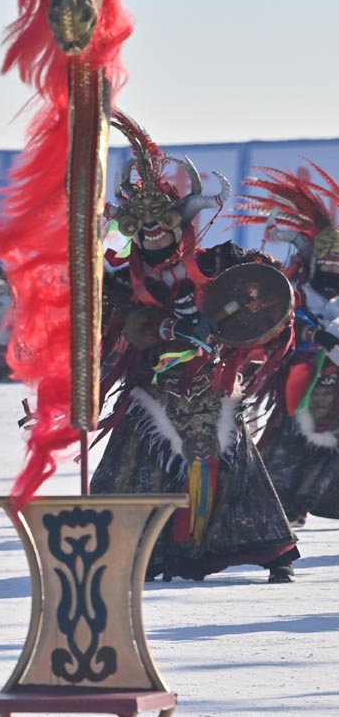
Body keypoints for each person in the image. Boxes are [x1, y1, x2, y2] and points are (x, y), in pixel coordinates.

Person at [90, 111, 298, 582]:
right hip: (153, 387)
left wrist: (234, 312)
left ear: (179, 224)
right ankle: (129, 550)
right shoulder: (122, 280)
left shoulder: (218, 263)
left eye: (161, 223)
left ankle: (272, 552)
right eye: (143, 227)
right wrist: (152, 326)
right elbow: (109, 324)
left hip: (210, 384)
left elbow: (263, 291)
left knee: (232, 463)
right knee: (132, 465)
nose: (152, 232)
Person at [236, 163, 339, 581]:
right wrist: (315, 337)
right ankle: (274, 526)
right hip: (302, 385)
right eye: (327, 261)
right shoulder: (299, 293)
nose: (333, 268)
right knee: (283, 454)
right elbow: (284, 324)